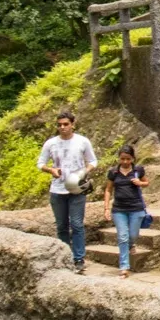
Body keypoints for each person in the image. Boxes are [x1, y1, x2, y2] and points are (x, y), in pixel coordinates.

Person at [35, 111, 100, 269]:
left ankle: (79, 259)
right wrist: (51, 170)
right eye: (59, 125)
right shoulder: (51, 143)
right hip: (57, 190)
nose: (62, 127)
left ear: (73, 124)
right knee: (61, 226)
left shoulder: (82, 141)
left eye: (66, 124)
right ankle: (65, 256)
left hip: (77, 189)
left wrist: (85, 171)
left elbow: (93, 160)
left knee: (77, 224)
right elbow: (40, 163)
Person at [104, 144, 151, 276]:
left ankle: (131, 245)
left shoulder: (138, 170)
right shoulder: (113, 172)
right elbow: (108, 189)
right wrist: (106, 207)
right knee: (122, 236)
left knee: (133, 235)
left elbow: (147, 183)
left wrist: (140, 183)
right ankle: (124, 266)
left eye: (128, 159)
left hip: (136, 208)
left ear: (132, 159)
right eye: (122, 159)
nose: (125, 162)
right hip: (119, 209)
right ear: (119, 158)